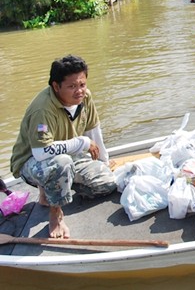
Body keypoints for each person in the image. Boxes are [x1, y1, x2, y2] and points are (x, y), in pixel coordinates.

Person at [10, 55, 117, 239]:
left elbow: (94, 131)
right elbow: (41, 152)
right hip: (33, 161)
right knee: (61, 163)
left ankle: (51, 190)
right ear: (56, 86)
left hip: (67, 155)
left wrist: (103, 161)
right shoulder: (42, 110)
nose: (79, 91)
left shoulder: (85, 98)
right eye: (72, 86)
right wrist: (81, 142)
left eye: (82, 84)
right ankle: (56, 215)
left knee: (106, 183)